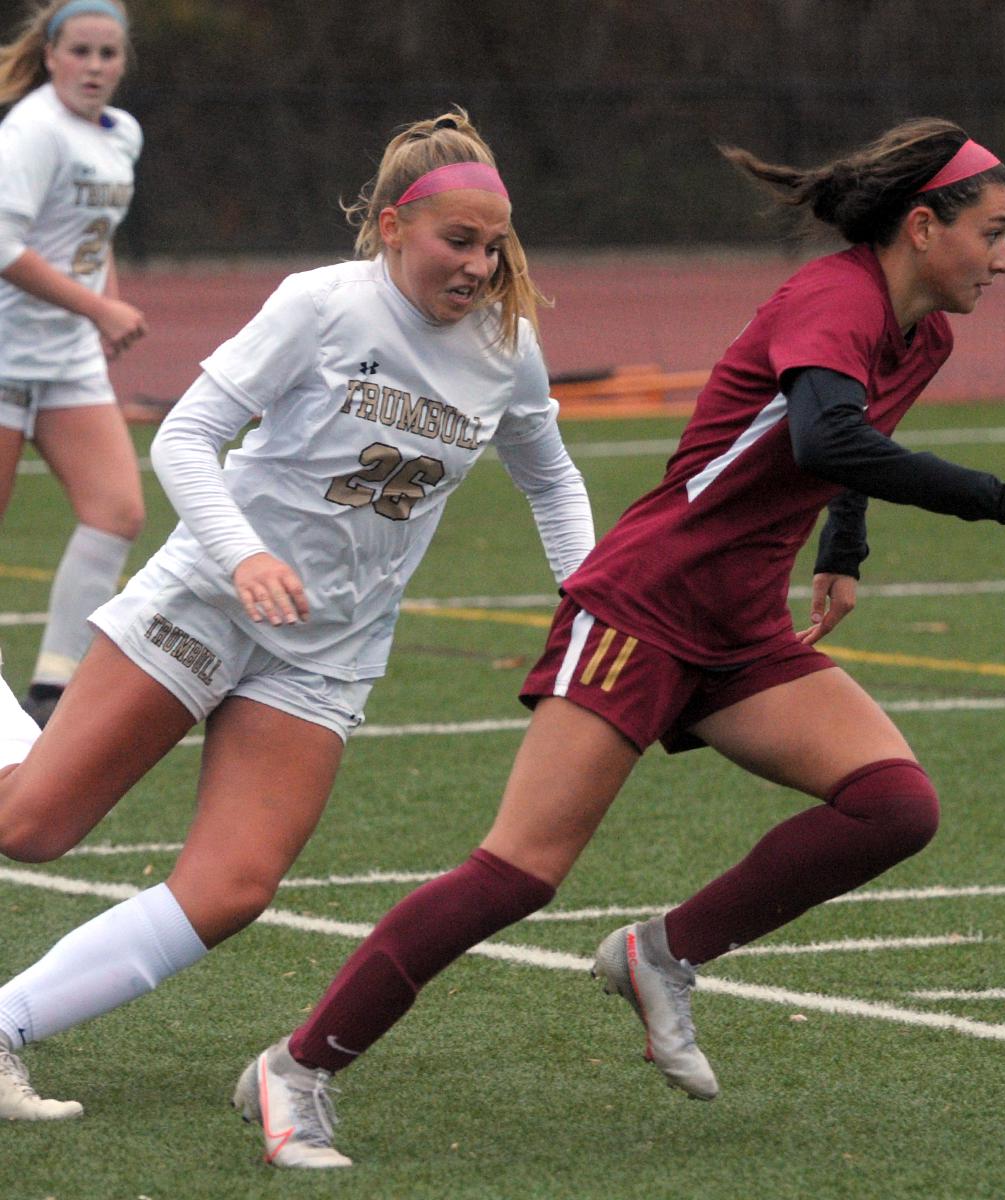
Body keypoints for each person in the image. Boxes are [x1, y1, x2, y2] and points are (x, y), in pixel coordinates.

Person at [235, 117, 1005, 1169]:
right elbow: (830, 431)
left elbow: (836, 454)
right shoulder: (832, 298)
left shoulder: (924, 334)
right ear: (924, 227)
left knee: (894, 806)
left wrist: (846, 543)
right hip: (646, 604)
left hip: (738, 621)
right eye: (994, 233)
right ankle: (301, 1066)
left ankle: (662, 954)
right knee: (518, 872)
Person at [0, 109, 594, 1125]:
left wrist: (588, 598)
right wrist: (247, 554)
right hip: (209, 600)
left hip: (329, 651)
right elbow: (186, 439)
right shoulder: (320, 304)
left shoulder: (509, 344)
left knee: (231, 888)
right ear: (395, 226)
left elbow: (552, 480)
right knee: (33, 825)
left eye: (495, 246)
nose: (481, 265)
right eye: (460, 241)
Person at [0, 0, 148, 727]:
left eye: (108, 54)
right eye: (81, 52)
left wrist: (104, 307)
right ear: (52, 55)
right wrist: (100, 310)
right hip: (2, 354)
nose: (95, 67)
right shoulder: (31, 130)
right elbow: (2, 248)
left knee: (117, 511)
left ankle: (52, 690)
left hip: (65, 360)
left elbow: (97, 233)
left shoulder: (122, 134)